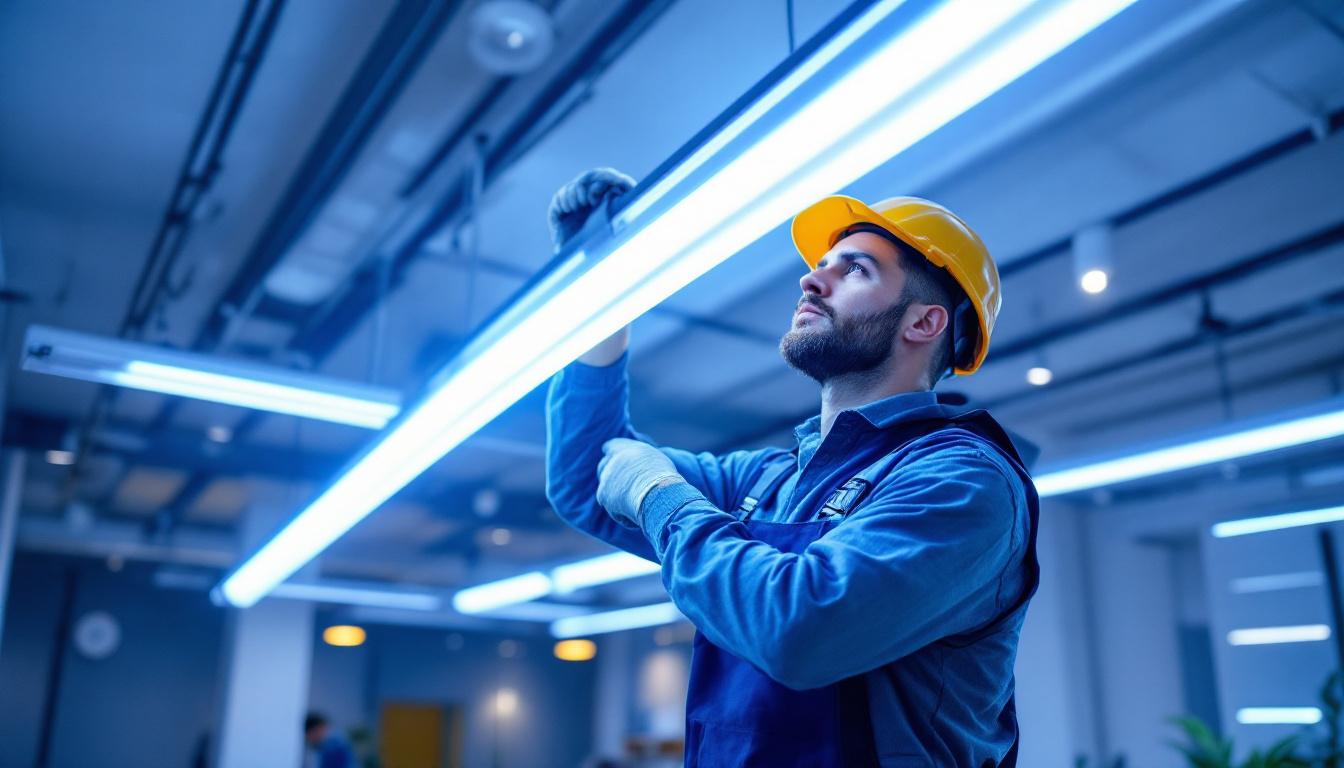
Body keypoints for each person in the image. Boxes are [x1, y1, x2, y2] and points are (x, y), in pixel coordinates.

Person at [545, 168, 1039, 767]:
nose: (811, 278)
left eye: (855, 269)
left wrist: (658, 496)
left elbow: (802, 630)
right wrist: (597, 281)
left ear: (923, 322)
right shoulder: (769, 481)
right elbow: (586, 476)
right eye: (821, 264)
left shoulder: (961, 481)